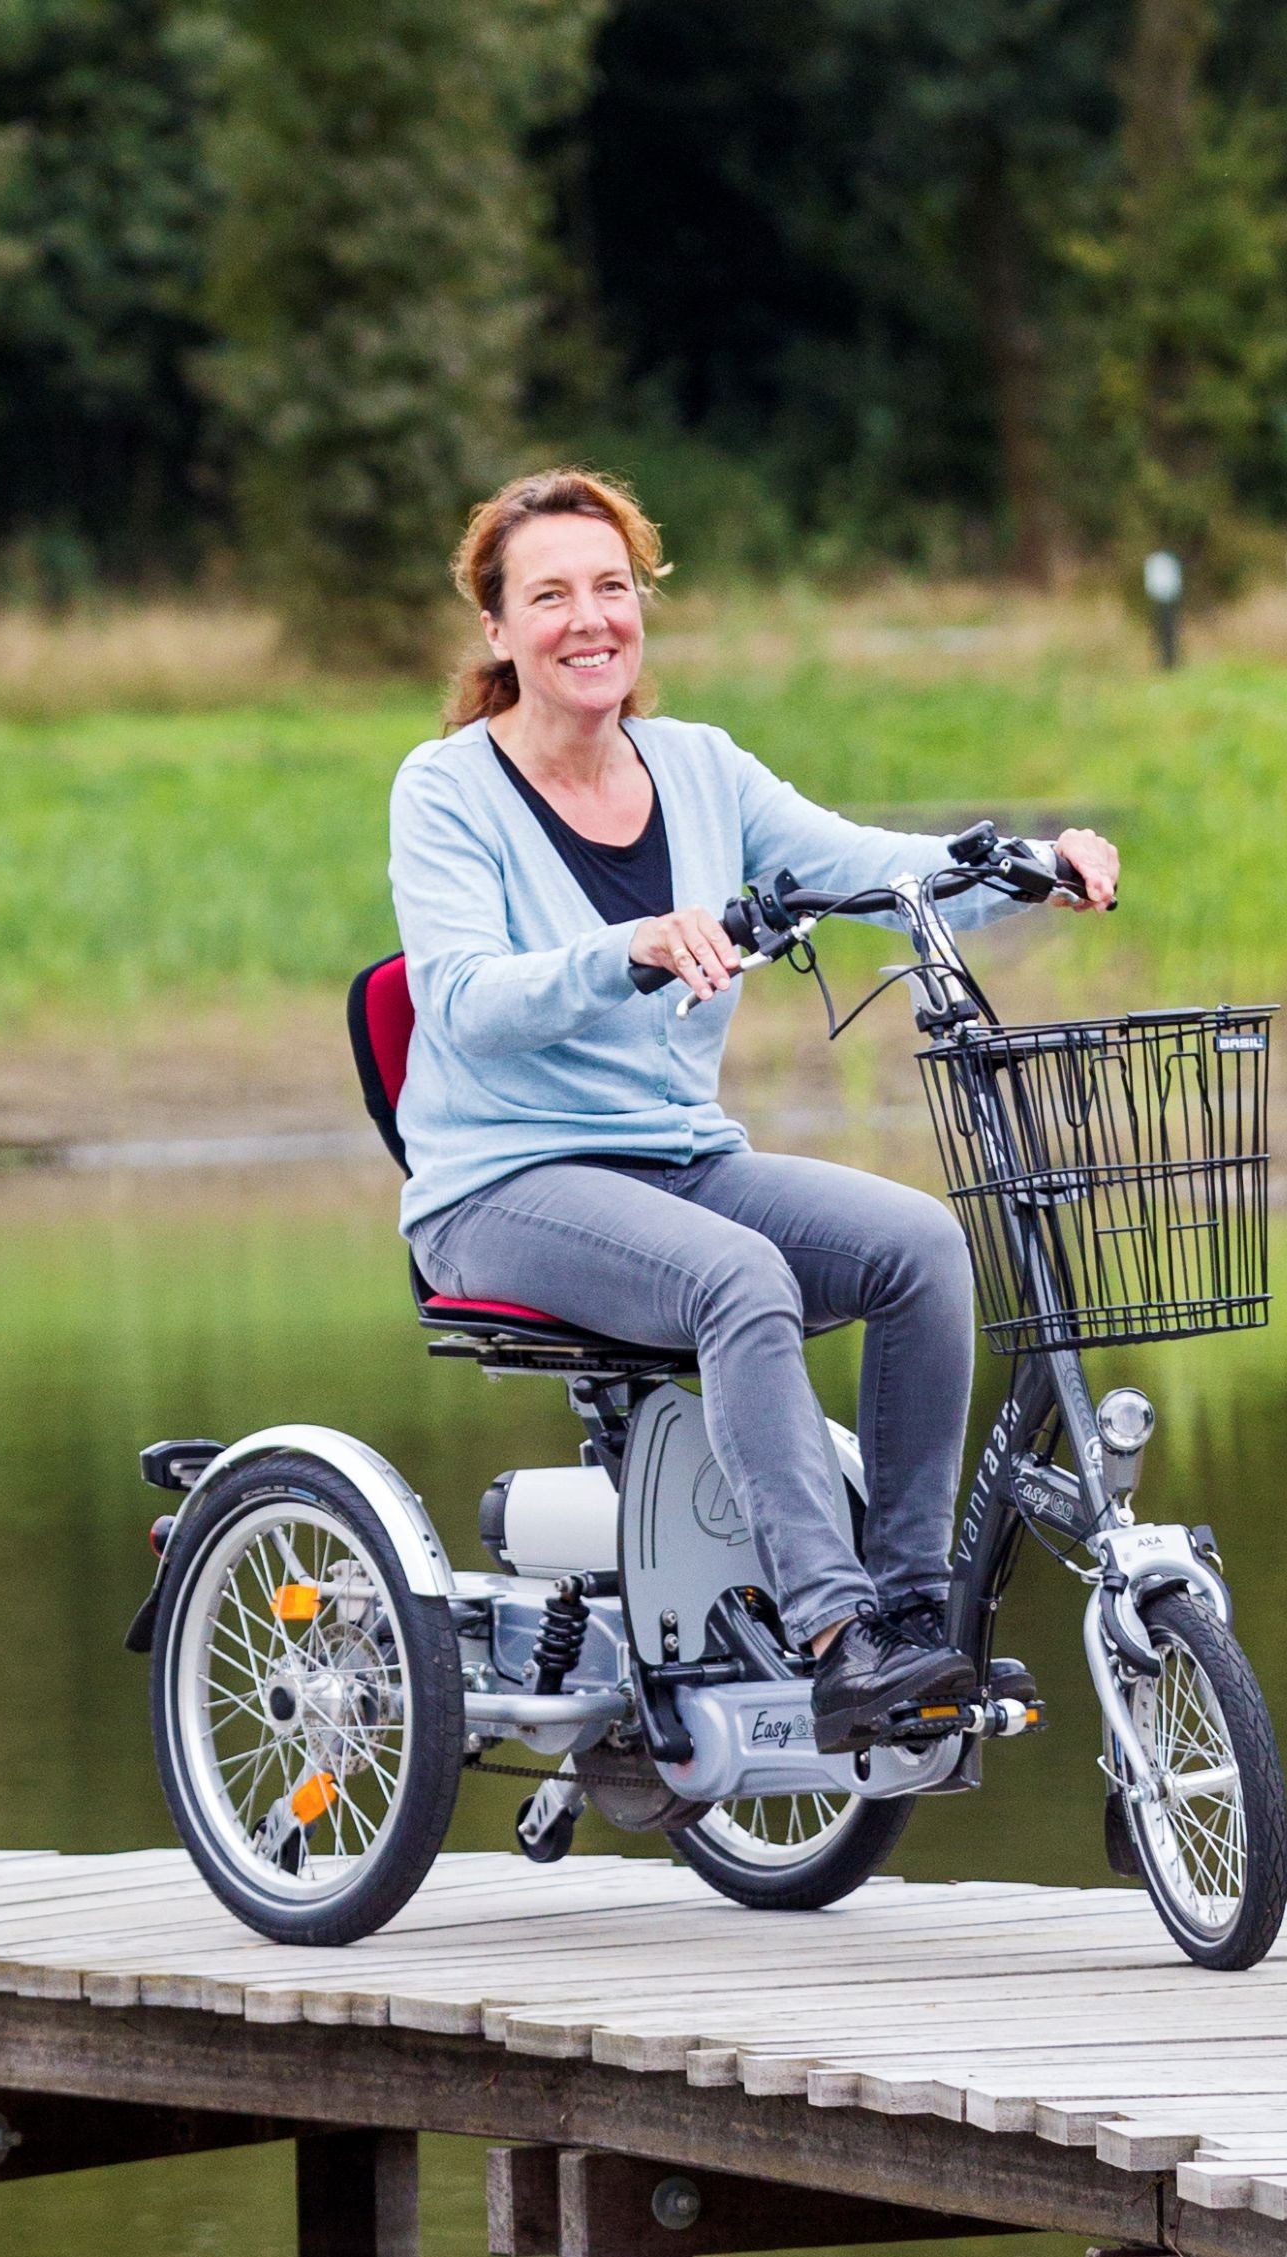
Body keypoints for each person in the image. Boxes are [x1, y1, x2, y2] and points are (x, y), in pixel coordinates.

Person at [388, 468, 1120, 1752]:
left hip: (676, 1165)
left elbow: (875, 870)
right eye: (549, 595)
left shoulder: (701, 771)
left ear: (642, 607)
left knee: (919, 1248)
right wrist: (634, 948)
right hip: (501, 1190)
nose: (589, 619)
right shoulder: (446, 793)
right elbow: (459, 1002)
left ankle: (904, 1615)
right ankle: (837, 1642)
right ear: (499, 631)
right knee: (739, 1281)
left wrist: (1026, 864)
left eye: (612, 587)